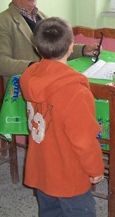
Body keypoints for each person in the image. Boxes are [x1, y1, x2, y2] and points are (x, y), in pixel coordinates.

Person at [19, 17, 104, 217]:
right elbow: (83, 140)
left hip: (42, 169)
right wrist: (95, 168)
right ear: (71, 47)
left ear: (37, 48)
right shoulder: (75, 91)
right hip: (69, 175)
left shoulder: (29, 77)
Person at [0, 0, 100, 86]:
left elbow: (57, 48)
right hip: (23, 89)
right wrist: (36, 67)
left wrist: (83, 49)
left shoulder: (43, 17)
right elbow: (0, 63)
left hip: (51, 81)